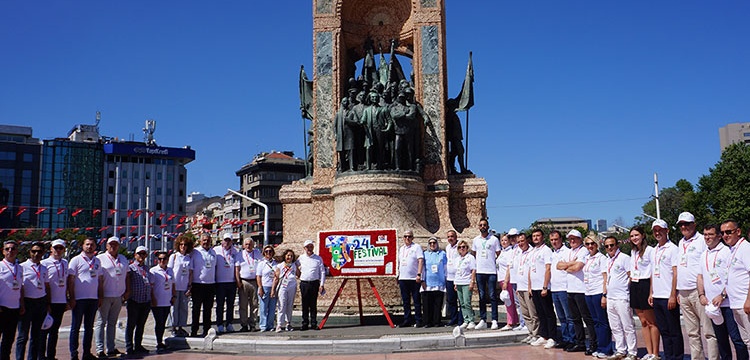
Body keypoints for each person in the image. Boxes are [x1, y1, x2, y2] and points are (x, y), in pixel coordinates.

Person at [698, 224, 748, 360]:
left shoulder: (727, 251)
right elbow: (700, 276)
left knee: (737, 338)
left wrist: (722, 294)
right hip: (713, 306)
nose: (707, 237)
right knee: (721, 340)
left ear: (718, 236)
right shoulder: (703, 254)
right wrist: (701, 295)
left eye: (711, 234)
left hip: (728, 303)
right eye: (705, 234)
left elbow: (730, 277)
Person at [675, 212, 718, 360]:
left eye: (687, 223)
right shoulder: (681, 242)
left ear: (694, 224)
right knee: (692, 332)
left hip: (698, 291)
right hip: (684, 292)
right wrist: (678, 292)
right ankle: (697, 358)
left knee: (708, 331)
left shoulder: (701, 240)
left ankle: (713, 358)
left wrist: (703, 292)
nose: (684, 227)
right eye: (681, 224)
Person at [648, 219, 684, 360]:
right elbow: (652, 272)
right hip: (657, 295)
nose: (658, 233)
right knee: (664, 330)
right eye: (655, 231)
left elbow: (675, 273)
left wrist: (673, 295)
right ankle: (669, 356)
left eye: (660, 230)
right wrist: (651, 292)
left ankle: (678, 356)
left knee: (674, 330)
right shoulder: (654, 250)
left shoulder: (673, 249)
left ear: (667, 231)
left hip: (668, 296)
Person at [557, 230, 595, 354]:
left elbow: (578, 267)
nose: (572, 241)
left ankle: (594, 343)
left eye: (575, 238)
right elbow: (558, 265)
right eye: (570, 239)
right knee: (575, 318)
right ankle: (580, 342)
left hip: (581, 289)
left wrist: (567, 266)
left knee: (586, 318)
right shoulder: (568, 252)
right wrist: (571, 265)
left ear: (580, 239)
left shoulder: (583, 250)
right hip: (570, 289)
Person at [68, 238, 103, 360]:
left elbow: (100, 280)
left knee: (89, 328)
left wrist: (100, 297)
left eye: (92, 245)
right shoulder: (75, 260)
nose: (89, 247)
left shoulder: (97, 261)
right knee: (75, 327)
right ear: (82, 246)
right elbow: (71, 280)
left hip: (93, 299)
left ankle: (86, 353)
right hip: (79, 299)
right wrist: (72, 297)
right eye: (87, 244)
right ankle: (74, 354)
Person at [628, 227, 660, 360]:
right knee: (643, 322)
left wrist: (651, 292)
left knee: (652, 322)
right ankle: (649, 352)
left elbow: (653, 271)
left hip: (645, 285)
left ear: (643, 235)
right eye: (632, 236)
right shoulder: (633, 251)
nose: (634, 238)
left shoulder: (650, 251)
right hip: (635, 285)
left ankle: (655, 353)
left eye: (636, 235)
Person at [603, 236, 637, 360]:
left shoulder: (624, 258)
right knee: (615, 326)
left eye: (612, 245)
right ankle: (620, 350)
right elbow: (606, 278)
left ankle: (632, 352)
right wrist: (605, 294)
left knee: (627, 326)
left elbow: (631, 275)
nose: (609, 248)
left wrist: (626, 288)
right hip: (610, 298)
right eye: (606, 246)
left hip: (622, 297)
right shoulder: (607, 260)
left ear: (617, 245)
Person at [16, 241, 50, 360]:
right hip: (27, 302)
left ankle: (32, 358)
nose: (36, 254)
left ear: (43, 253)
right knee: (22, 335)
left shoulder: (44, 268)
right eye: (34, 251)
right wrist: (21, 304)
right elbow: (19, 287)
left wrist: (47, 304)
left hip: (40, 303)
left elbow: (46, 286)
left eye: (39, 251)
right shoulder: (22, 267)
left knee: (36, 335)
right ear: (29, 252)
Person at [95, 236, 127, 358]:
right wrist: (100, 295)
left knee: (112, 323)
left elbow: (127, 275)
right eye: (111, 244)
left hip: (118, 296)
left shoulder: (123, 259)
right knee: (100, 322)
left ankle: (111, 348)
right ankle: (99, 349)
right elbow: (98, 278)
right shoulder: (100, 258)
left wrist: (126, 291)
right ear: (107, 246)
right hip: (105, 296)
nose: (113, 246)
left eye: (116, 244)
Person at [722, 220, 750, 348]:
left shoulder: (745, 248)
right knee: (747, 342)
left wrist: (749, 300)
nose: (725, 235)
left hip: (745, 303)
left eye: (728, 232)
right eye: (722, 233)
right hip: (735, 304)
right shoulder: (732, 250)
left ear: (738, 232)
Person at [583, 235, 612, 358]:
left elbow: (605, 277)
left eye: (592, 244)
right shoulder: (586, 258)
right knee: (595, 321)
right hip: (588, 292)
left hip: (598, 292)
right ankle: (599, 346)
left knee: (602, 322)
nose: (590, 246)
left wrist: (604, 295)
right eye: (588, 244)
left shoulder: (601, 258)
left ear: (597, 245)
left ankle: (606, 348)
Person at [528, 229, 557, 348]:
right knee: (540, 313)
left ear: (542, 237)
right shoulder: (533, 251)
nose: (535, 238)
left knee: (548, 313)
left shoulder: (546, 250)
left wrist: (545, 286)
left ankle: (552, 337)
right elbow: (530, 269)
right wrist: (529, 286)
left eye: (538, 236)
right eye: (534, 236)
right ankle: (543, 335)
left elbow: (548, 268)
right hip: (534, 287)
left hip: (543, 287)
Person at [40, 239, 69, 360]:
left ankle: (51, 355)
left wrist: (67, 299)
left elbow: (67, 281)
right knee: (44, 330)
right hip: (48, 302)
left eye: (60, 248)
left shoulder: (65, 263)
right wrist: (47, 302)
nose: (58, 250)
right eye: (56, 248)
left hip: (61, 301)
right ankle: (41, 355)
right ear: (51, 249)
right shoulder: (44, 263)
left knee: (54, 331)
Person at [471, 219, 501, 330]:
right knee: (482, 296)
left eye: (484, 225)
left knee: (493, 296)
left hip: (491, 271)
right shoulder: (476, 240)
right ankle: (483, 319)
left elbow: (499, 254)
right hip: (480, 271)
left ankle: (494, 320)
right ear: (478, 227)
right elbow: (474, 253)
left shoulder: (494, 239)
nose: (483, 226)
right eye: (481, 225)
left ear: (488, 226)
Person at [511, 231, 538, 341]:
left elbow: (531, 271)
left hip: (528, 287)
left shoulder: (532, 252)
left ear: (527, 240)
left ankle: (536, 334)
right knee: (525, 313)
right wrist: (517, 287)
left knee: (533, 313)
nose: (520, 243)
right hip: (520, 286)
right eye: (518, 242)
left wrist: (530, 287)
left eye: (522, 241)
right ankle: (530, 333)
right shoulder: (519, 253)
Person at [549, 230, 574, 348]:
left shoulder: (568, 252)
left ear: (561, 240)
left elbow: (571, 266)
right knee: (561, 317)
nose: (554, 242)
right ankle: (565, 339)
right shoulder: (552, 253)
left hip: (565, 288)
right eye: (552, 240)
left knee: (569, 316)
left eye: (556, 239)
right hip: (554, 289)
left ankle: (572, 340)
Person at [125, 246, 151, 355]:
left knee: (141, 325)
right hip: (134, 300)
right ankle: (129, 346)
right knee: (131, 324)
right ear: (135, 255)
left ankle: (138, 345)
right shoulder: (131, 268)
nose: (141, 256)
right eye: (139, 254)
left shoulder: (147, 268)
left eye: (143, 254)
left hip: (145, 301)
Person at [190, 234, 217, 337]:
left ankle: (207, 329)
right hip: (198, 284)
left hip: (210, 284)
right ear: (200, 241)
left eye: (208, 240)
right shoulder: (195, 252)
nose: (206, 242)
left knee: (208, 309)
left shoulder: (213, 252)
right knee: (196, 309)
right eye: (204, 240)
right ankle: (194, 330)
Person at [397, 230, 424, 327]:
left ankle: (418, 319)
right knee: (406, 300)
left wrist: (419, 274)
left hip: (413, 277)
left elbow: (420, 260)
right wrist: (398, 274)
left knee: (416, 300)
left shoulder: (416, 247)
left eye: (409, 236)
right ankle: (407, 319)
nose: (407, 238)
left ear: (412, 238)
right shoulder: (401, 249)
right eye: (405, 236)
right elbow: (399, 262)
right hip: (403, 277)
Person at [167, 235, 193, 337]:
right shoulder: (174, 257)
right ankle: (173, 327)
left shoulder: (188, 258)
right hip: (175, 287)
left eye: (185, 245)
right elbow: (169, 272)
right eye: (181, 244)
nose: (183, 246)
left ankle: (181, 327)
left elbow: (190, 273)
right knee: (174, 308)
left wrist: (190, 287)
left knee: (183, 308)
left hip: (184, 287)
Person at [0, 240, 22, 360]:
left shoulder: (20, 268)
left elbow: (21, 288)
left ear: (17, 251)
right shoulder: (0, 266)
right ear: (3, 251)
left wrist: (22, 305)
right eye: (7, 249)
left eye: (13, 249)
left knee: (9, 339)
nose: (10, 251)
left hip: (14, 308)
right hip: (2, 308)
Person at [298, 239, 326, 331]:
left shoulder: (318, 258)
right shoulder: (300, 258)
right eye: (307, 247)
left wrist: (321, 284)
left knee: (313, 304)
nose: (309, 248)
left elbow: (322, 272)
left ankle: (314, 323)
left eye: (311, 246)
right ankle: (305, 323)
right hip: (304, 283)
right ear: (304, 248)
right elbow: (293, 266)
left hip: (314, 283)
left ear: (313, 247)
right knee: (304, 304)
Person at [236, 237, 263, 332]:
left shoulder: (258, 254)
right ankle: (244, 324)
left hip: (254, 281)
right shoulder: (240, 254)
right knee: (243, 305)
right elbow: (237, 269)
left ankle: (252, 324)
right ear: (243, 245)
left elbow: (261, 266)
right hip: (244, 281)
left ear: (253, 245)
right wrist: (238, 281)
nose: (248, 246)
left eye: (250, 244)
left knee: (254, 304)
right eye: (246, 244)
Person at [150, 251, 175, 352]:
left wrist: (174, 296)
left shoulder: (170, 270)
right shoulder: (153, 271)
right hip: (157, 301)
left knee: (163, 322)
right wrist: (153, 299)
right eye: (160, 259)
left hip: (167, 301)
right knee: (159, 322)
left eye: (164, 259)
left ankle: (160, 341)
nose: (162, 261)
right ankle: (159, 342)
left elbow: (173, 284)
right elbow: (151, 287)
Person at [214, 233, 239, 333]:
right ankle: (219, 324)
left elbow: (237, 267)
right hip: (220, 282)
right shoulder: (216, 250)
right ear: (222, 240)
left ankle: (229, 323)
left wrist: (238, 281)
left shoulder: (236, 251)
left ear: (232, 241)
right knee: (220, 304)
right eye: (225, 240)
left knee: (230, 304)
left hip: (231, 282)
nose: (227, 242)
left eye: (229, 240)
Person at [422, 236, 447, 327]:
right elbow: (423, 268)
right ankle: (427, 322)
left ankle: (436, 321)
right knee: (427, 304)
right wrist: (422, 280)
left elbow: (445, 267)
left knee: (437, 304)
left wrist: (446, 279)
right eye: (430, 243)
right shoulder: (425, 254)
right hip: (428, 282)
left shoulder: (442, 253)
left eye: (434, 243)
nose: (432, 245)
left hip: (439, 282)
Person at [273, 249, 300, 332]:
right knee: (281, 305)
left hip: (292, 286)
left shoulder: (294, 265)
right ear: (285, 256)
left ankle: (288, 323)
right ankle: (279, 324)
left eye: (291, 256)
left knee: (290, 305)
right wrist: (273, 290)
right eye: (288, 255)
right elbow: (276, 278)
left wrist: (298, 267)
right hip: (283, 286)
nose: (289, 257)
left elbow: (298, 274)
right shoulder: (280, 265)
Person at [497, 233, 519, 331]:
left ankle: (510, 322)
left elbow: (509, 267)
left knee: (508, 301)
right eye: (502, 240)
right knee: (508, 301)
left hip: (507, 279)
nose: (504, 242)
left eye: (506, 240)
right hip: (501, 278)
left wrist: (506, 280)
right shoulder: (502, 252)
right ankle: (514, 320)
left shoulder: (510, 252)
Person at [454, 240, 477, 329]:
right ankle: (466, 319)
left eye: (463, 247)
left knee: (467, 302)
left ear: (467, 248)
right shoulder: (457, 259)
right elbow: (456, 271)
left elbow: (473, 270)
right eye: (460, 247)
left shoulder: (470, 258)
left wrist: (472, 282)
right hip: (459, 281)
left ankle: (471, 320)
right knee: (462, 303)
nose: (462, 248)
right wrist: (455, 283)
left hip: (466, 282)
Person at [256, 245, 278, 332]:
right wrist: (260, 287)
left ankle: (270, 325)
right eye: (266, 251)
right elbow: (258, 276)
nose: (268, 253)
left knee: (272, 308)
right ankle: (263, 326)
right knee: (263, 308)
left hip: (273, 286)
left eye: (270, 251)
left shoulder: (275, 264)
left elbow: (277, 276)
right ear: (264, 253)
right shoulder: (261, 263)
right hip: (264, 286)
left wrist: (273, 288)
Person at [445, 230, 463, 327]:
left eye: (452, 236)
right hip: (449, 277)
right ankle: (453, 318)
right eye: (448, 237)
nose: (450, 238)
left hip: (459, 277)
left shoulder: (460, 246)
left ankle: (461, 319)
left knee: (461, 300)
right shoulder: (447, 247)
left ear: (456, 237)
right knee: (451, 300)